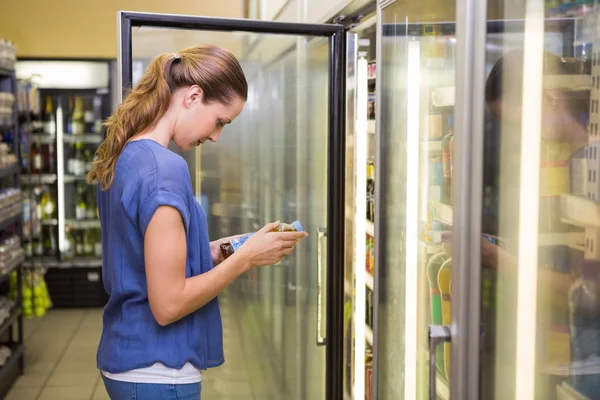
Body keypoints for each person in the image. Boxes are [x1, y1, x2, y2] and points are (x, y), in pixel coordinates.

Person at [87, 45, 308, 400]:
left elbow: (156, 261)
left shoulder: (127, 156)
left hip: (129, 360)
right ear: (193, 96)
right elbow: (169, 303)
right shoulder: (166, 169)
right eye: (220, 120)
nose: (217, 135)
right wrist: (245, 260)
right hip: (158, 372)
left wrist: (234, 248)